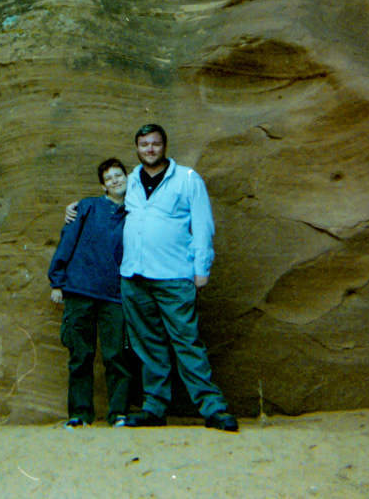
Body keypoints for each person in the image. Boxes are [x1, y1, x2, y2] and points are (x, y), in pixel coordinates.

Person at [119, 123, 238, 431]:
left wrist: (202, 271)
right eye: (144, 144)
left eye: (155, 144)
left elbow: (203, 226)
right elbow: (108, 204)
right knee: (147, 345)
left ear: (165, 146)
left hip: (173, 276)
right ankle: (154, 408)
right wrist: (74, 207)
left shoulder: (186, 179)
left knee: (187, 342)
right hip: (134, 276)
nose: (150, 150)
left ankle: (214, 409)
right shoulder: (130, 180)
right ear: (137, 148)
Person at [48, 157, 132, 428]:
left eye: (119, 175)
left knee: (116, 355)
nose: (115, 181)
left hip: (114, 294)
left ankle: (118, 413)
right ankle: (80, 415)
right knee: (80, 355)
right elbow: (67, 241)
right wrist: (57, 281)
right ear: (103, 186)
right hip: (80, 290)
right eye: (109, 178)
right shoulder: (86, 207)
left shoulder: (136, 211)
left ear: (127, 177)